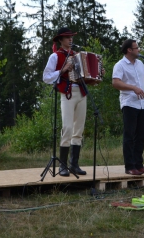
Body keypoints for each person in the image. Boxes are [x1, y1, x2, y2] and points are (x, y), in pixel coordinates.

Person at [112, 39, 144, 175]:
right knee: (129, 135)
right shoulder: (120, 65)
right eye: (136, 47)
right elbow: (116, 83)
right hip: (129, 103)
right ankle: (129, 166)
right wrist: (133, 88)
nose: (139, 50)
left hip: (142, 103)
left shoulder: (140, 63)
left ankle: (139, 164)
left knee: (140, 135)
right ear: (129, 50)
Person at [43, 27, 87, 177]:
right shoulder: (55, 56)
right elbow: (46, 77)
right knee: (67, 128)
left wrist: (96, 75)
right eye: (67, 37)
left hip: (81, 93)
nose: (70, 39)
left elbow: (86, 75)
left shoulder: (77, 55)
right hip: (67, 93)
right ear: (60, 40)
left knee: (79, 130)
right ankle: (62, 165)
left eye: (71, 37)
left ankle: (74, 165)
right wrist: (62, 70)